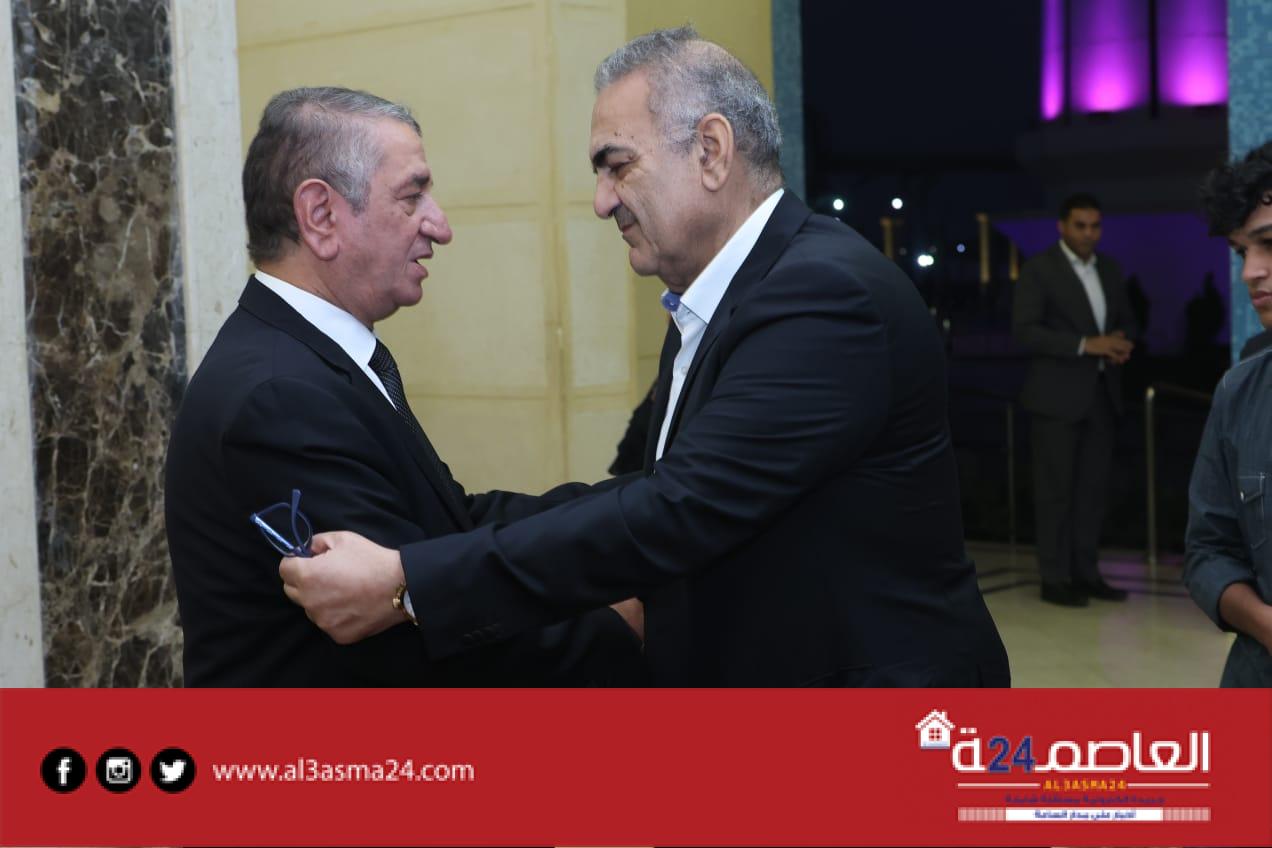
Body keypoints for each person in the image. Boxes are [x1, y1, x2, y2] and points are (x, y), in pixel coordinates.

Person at [281, 27, 1011, 687]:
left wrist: (411, 583)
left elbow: (677, 510)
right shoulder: (724, 294)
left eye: (617, 166)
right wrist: (455, 523)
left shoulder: (822, 295)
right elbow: (658, 489)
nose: (602, 201)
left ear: (712, 151)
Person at [164, 87, 644, 686]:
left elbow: (452, 523)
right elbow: (410, 639)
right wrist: (623, 626)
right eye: (412, 195)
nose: (439, 226)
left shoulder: (308, 358)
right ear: (321, 216)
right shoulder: (279, 395)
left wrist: (652, 503)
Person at [1012, 194, 1136, 607]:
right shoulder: (1040, 269)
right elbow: (1025, 331)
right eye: (1080, 225)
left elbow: (1128, 319)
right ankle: (1054, 578)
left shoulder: (1110, 269)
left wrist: (1119, 340)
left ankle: (1086, 573)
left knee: (1092, 493)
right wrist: (1086, 344)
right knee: (1055, 493)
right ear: (1062, 227)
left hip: (1102, 395)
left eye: (1095, 226)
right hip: (1055, 398)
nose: (1088, 234)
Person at [1185, 140, 1272, 687]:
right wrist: (1263, 623)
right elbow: (1208, 551)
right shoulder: (1240, 391)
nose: (1250, 273)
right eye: (1243, 252)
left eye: (1270, 244)